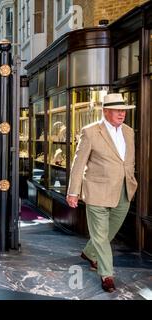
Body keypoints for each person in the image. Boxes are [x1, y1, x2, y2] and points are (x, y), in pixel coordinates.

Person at [66, 93, 137, 293]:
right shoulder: (90, 132)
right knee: (100, 234)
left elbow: (127, 161)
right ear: (106, 111)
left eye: (123, 110)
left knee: (109, 230)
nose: (121, 114)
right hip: (96, 190)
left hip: (124, 189)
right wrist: (73, 191)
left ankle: (90, 252)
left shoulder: (129, 132)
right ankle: (107, 274)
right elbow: (78, 163)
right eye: (117, 110)